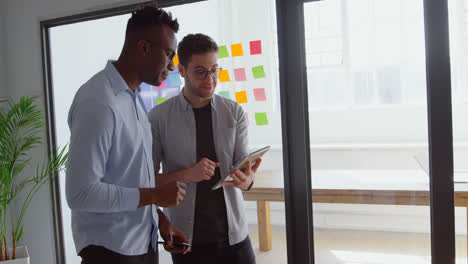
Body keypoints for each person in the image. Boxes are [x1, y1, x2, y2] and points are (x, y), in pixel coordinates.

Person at [66, 6, 189, 264]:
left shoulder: (132, 98)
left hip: (141, 244)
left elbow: (127, 176)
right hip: (110, 252)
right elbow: (80, 193)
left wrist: (159, 218)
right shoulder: (98, 101)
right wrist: (155, 195)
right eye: (169, 54)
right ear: (144, 48)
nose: (172, 64)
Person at [148, 33, 262, 264]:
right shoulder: (158, 118)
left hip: (235, 237)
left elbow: (245, 173)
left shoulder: (234, 112)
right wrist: (187, 175)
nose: (210, 78)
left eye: (214, 70)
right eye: (200, 71)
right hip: (186, 241)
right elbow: (146, 181)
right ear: (181, 70)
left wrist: (247, 181)